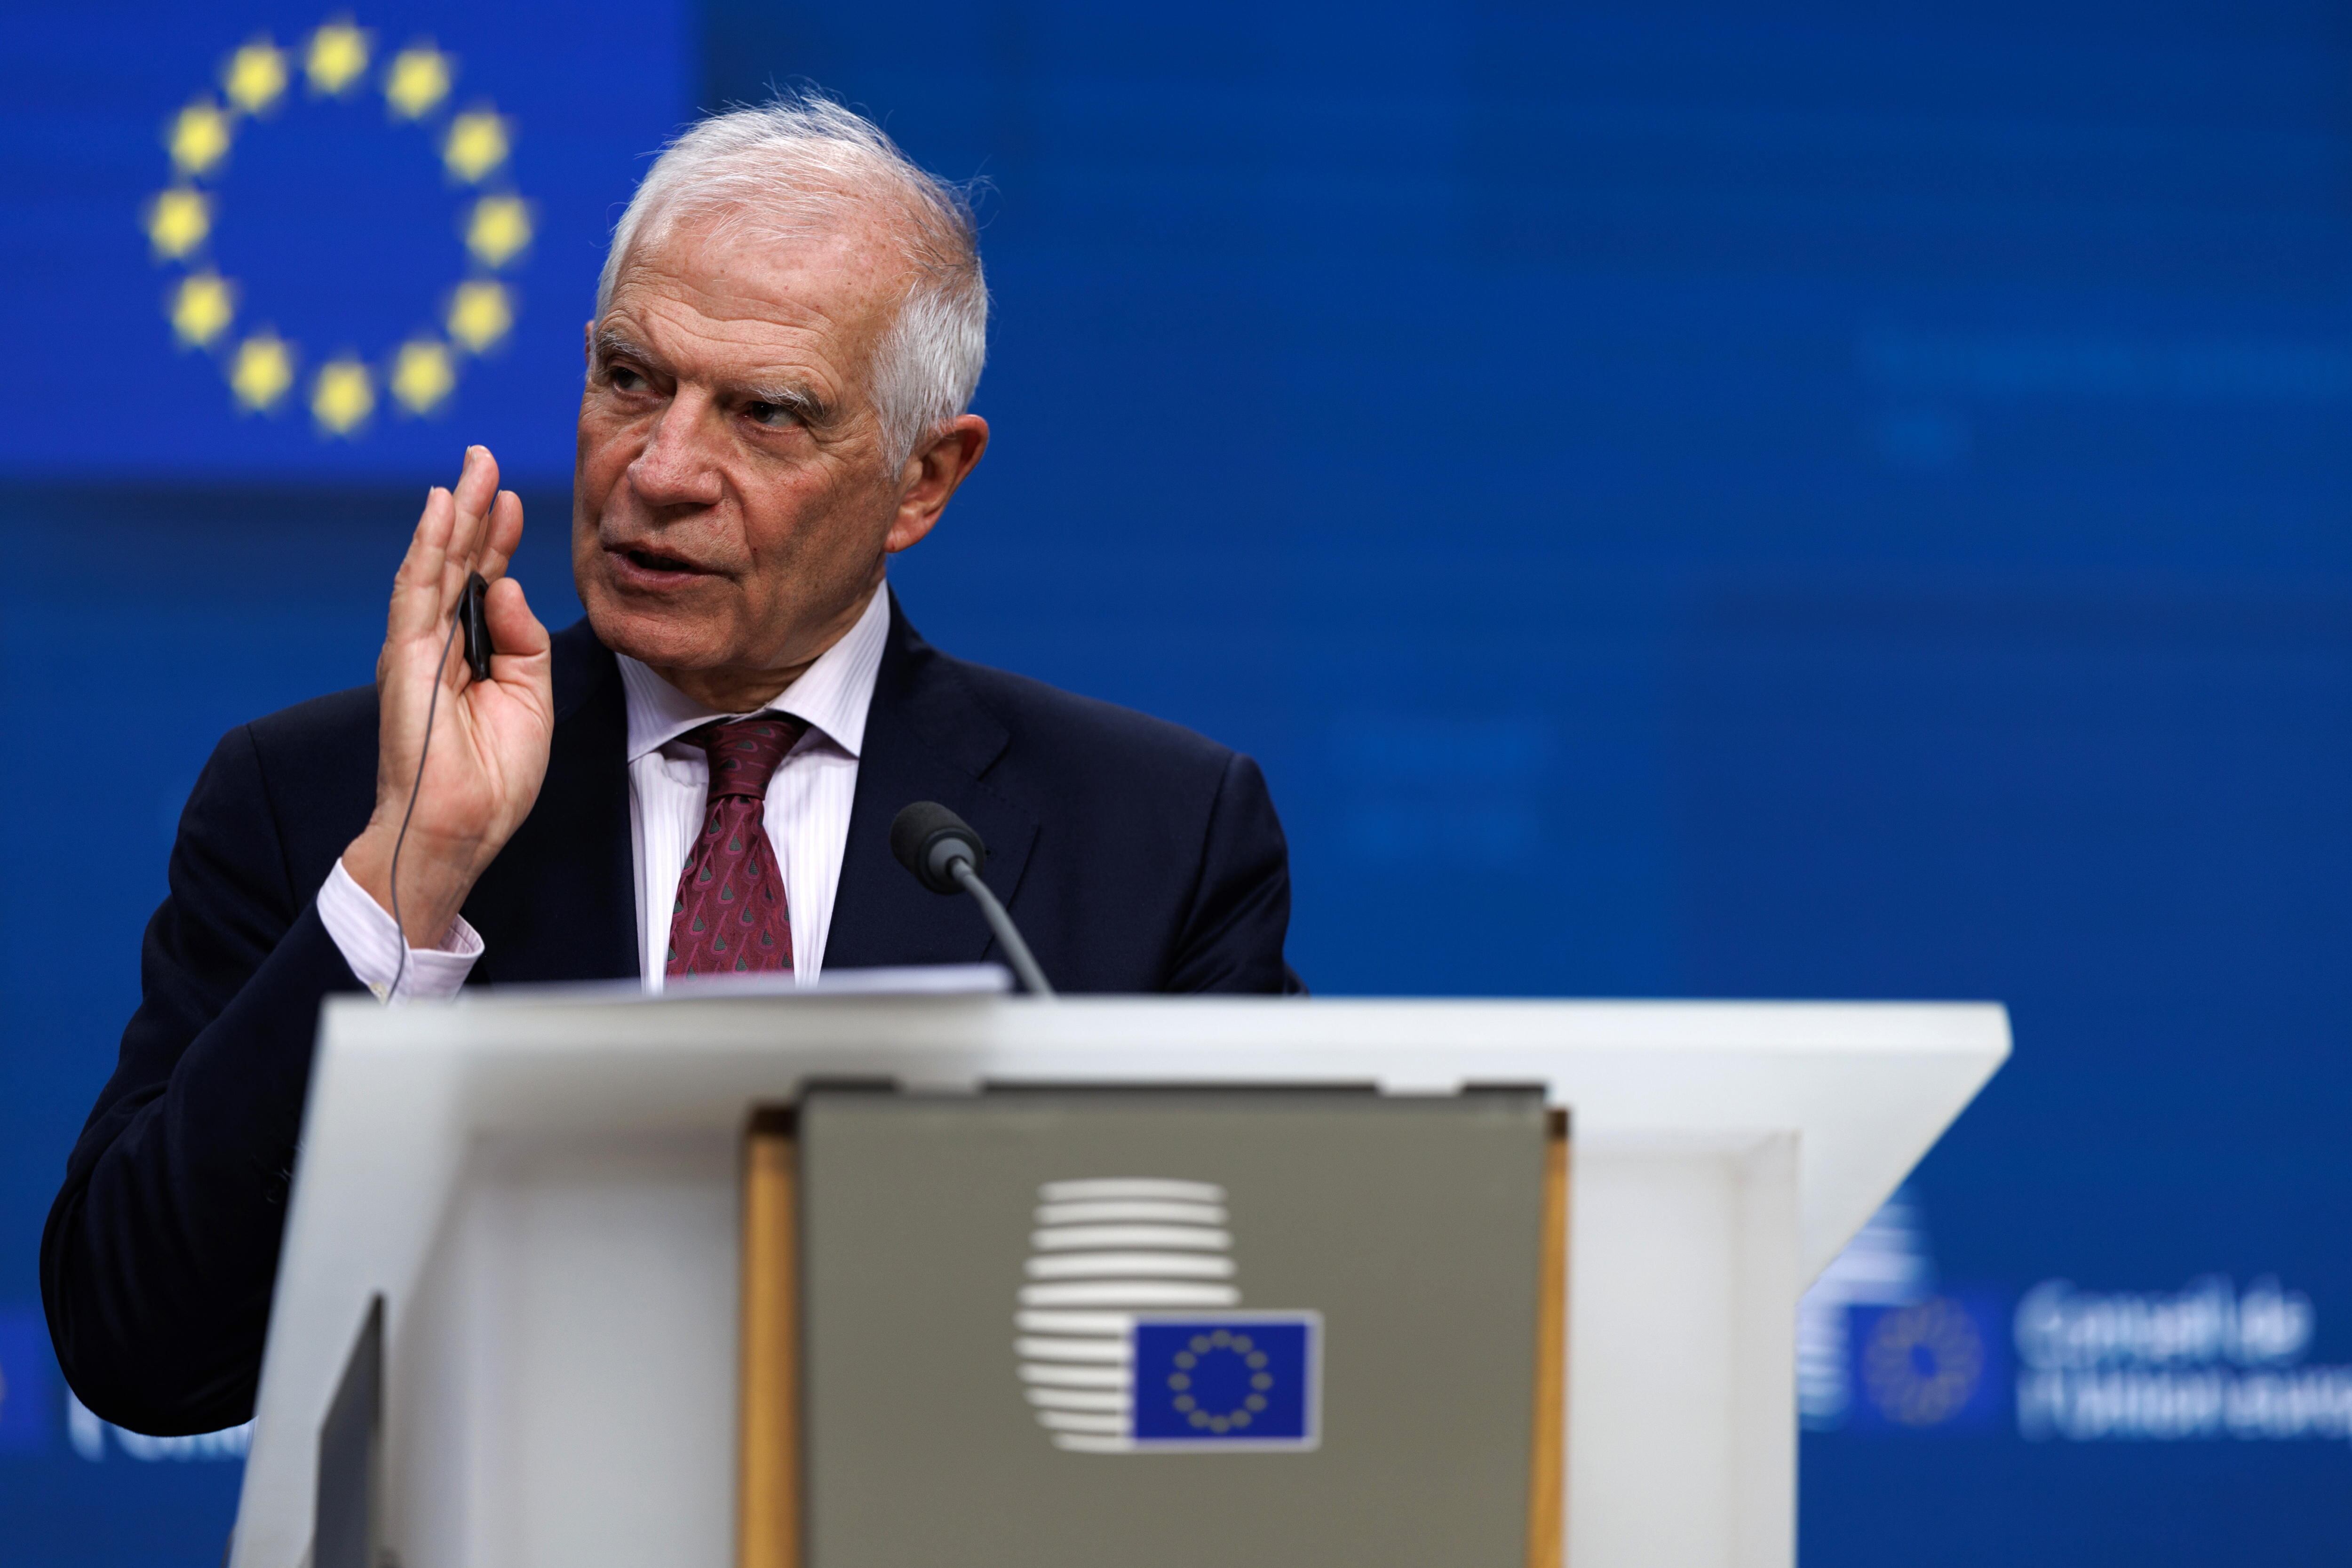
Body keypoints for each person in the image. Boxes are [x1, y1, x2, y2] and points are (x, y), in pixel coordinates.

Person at [44, 96, 1297, 1436]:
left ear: (924, 479)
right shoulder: (322, 799)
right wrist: (408, 885)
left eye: (764, 414)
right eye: (633, 380)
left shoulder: (1156, 840)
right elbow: (142, 1352)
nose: (661, 469)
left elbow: (1248, 1369)